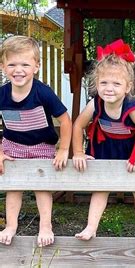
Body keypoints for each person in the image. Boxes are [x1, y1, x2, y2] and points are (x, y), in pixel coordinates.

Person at [72, 39, 135, 241]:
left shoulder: (133, 108)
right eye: (104, 83)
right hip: (106, 147)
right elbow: (78, 125)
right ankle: (91, 228)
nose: (109, 88)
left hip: (132, 150)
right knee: (101, 188)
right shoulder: (95, 104)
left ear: (128, 87)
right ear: (96, 83)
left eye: (116, 84)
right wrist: (77, 152)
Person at [0, 35, 72, 247]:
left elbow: (65, 120)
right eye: (12, 64)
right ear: (3, 67)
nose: (18, 69)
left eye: (25, 64)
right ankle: (11, 225)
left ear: (36, 67)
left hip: (42, 145)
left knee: (42, 186)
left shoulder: (43, 93)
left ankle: (46, 225)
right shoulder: (2, 94)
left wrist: (63, 149)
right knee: (14, 186)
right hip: (13, 145)